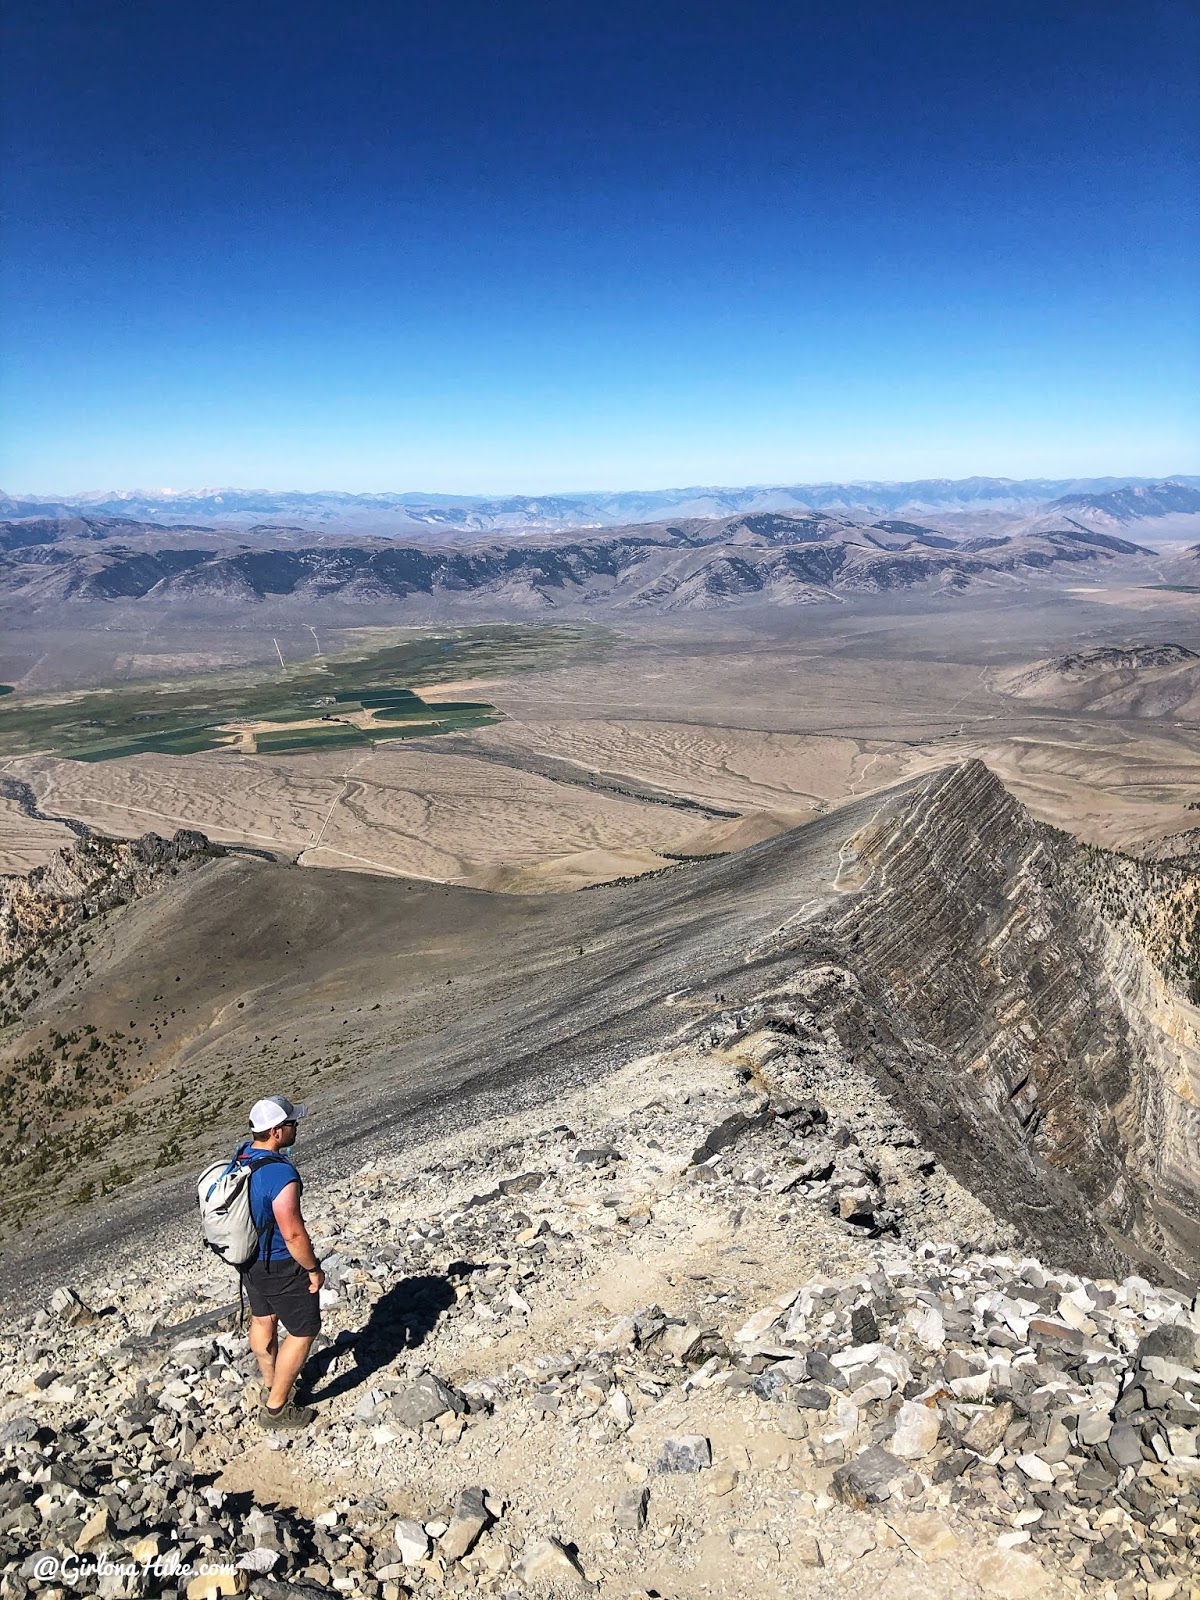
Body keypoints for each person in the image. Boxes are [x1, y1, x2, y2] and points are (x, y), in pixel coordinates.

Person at [238, 1095, 325, 1430]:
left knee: (264, 1319)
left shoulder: (243, 1155)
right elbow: (292, 1233)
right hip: (279, 1263)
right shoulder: (279, 1174)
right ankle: (277, 1410)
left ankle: (270, 1385)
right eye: (291, 1123)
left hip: (247, 1260)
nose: (296, 1126)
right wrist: (313, 1269)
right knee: (304, 1329)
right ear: (276, 1131)